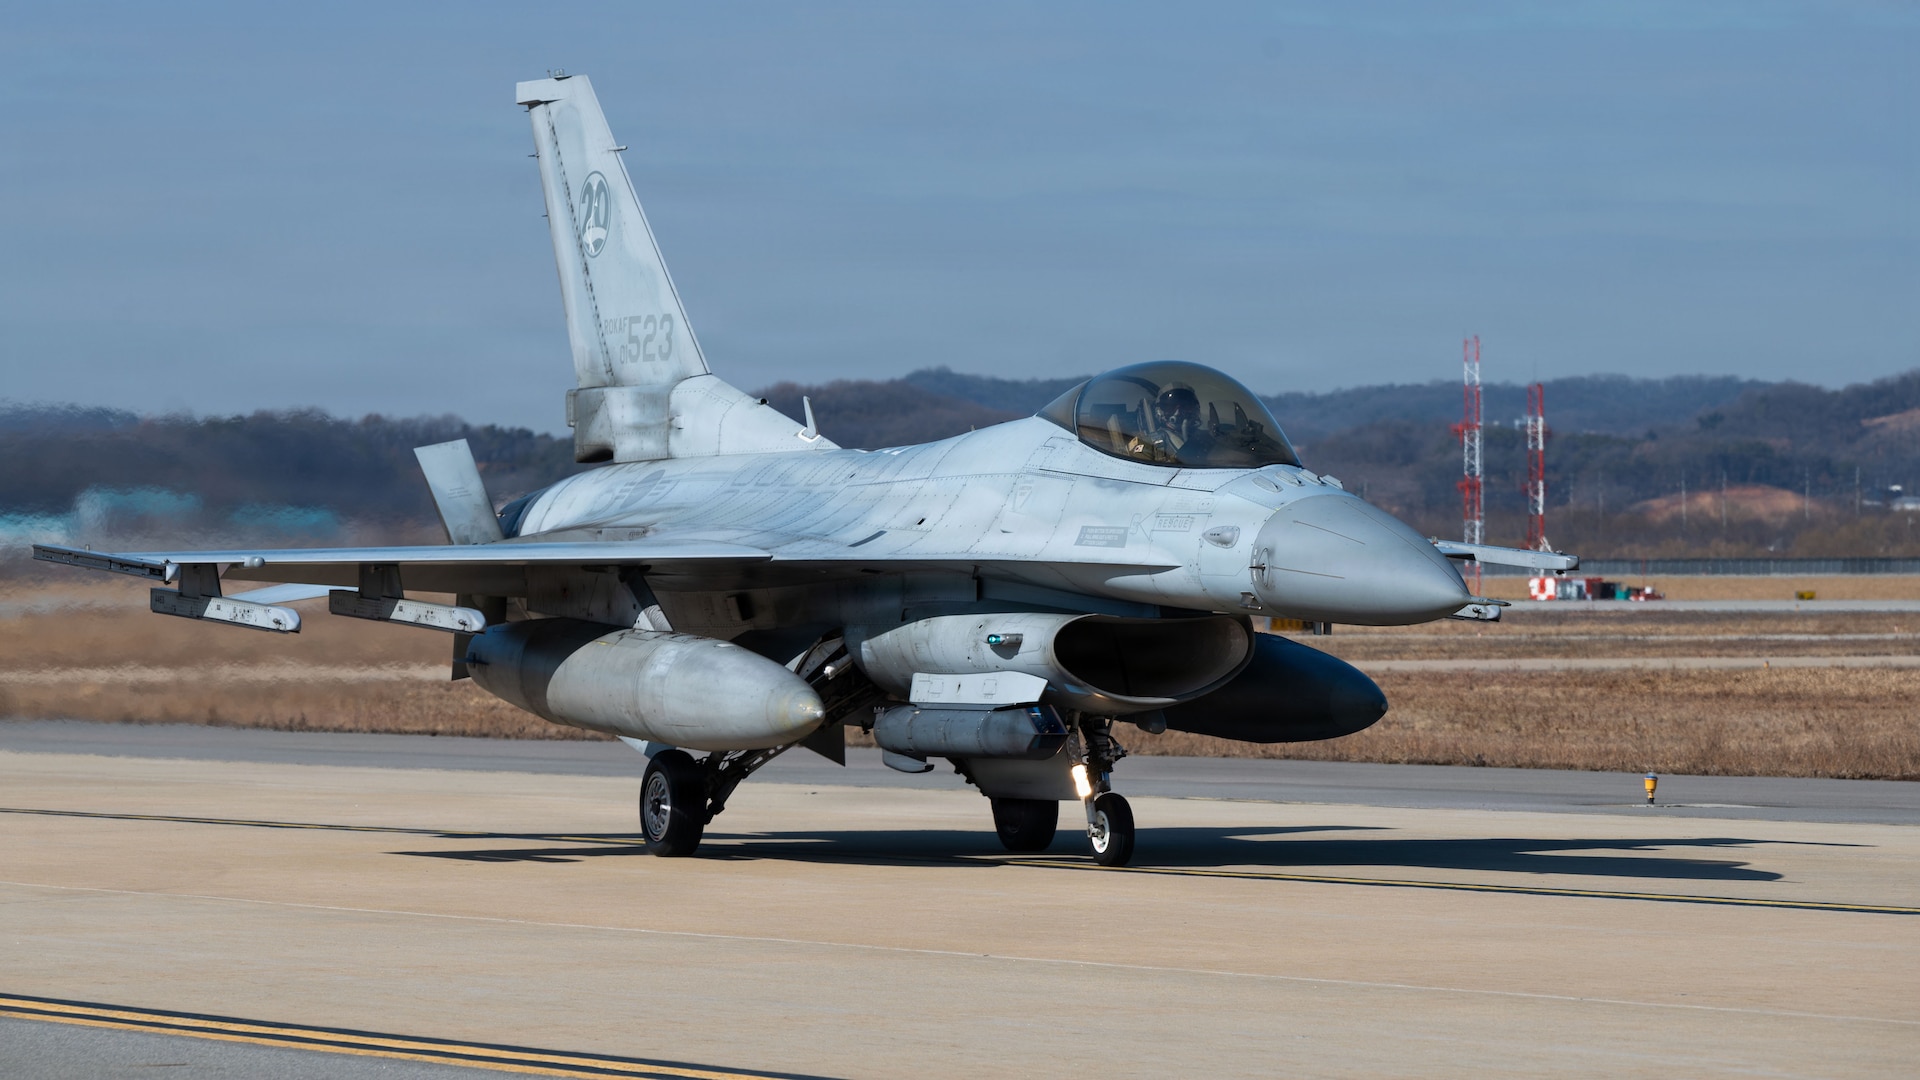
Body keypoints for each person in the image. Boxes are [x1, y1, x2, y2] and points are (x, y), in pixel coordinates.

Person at [1124, 382, 1215, 464]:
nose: (1178, 412)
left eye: (1185, 406)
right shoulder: (1149, 444)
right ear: (1160, 410)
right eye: (1170, 406)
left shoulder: (1207, 438)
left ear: (1194, 408)